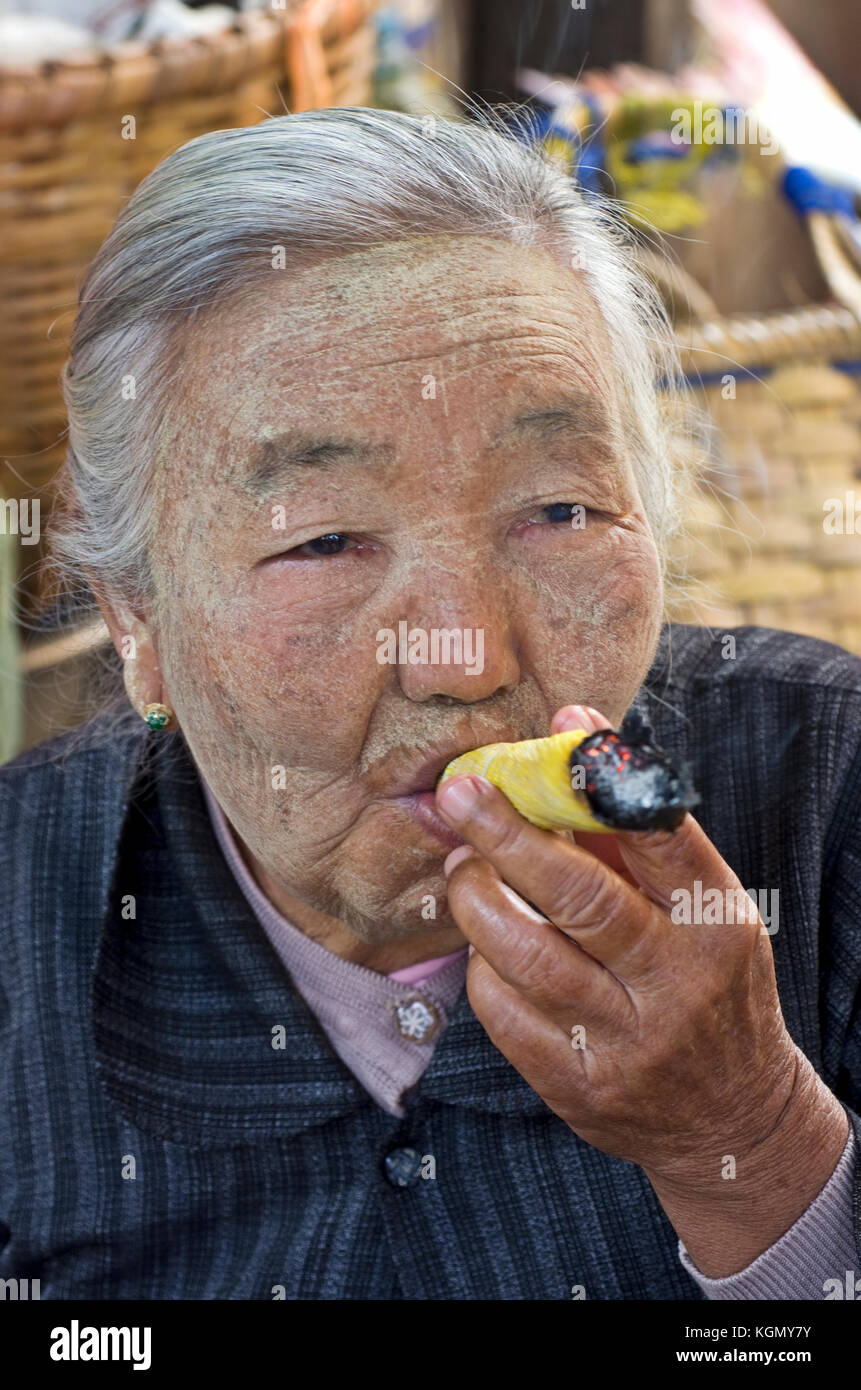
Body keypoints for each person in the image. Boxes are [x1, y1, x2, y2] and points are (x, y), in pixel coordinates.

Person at [1, 108, 859, 1300]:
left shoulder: (832, 793)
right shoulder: (20, 909)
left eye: (560, 509)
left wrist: (752, 1140)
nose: (462, 657)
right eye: (327, 539)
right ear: (139, 623)